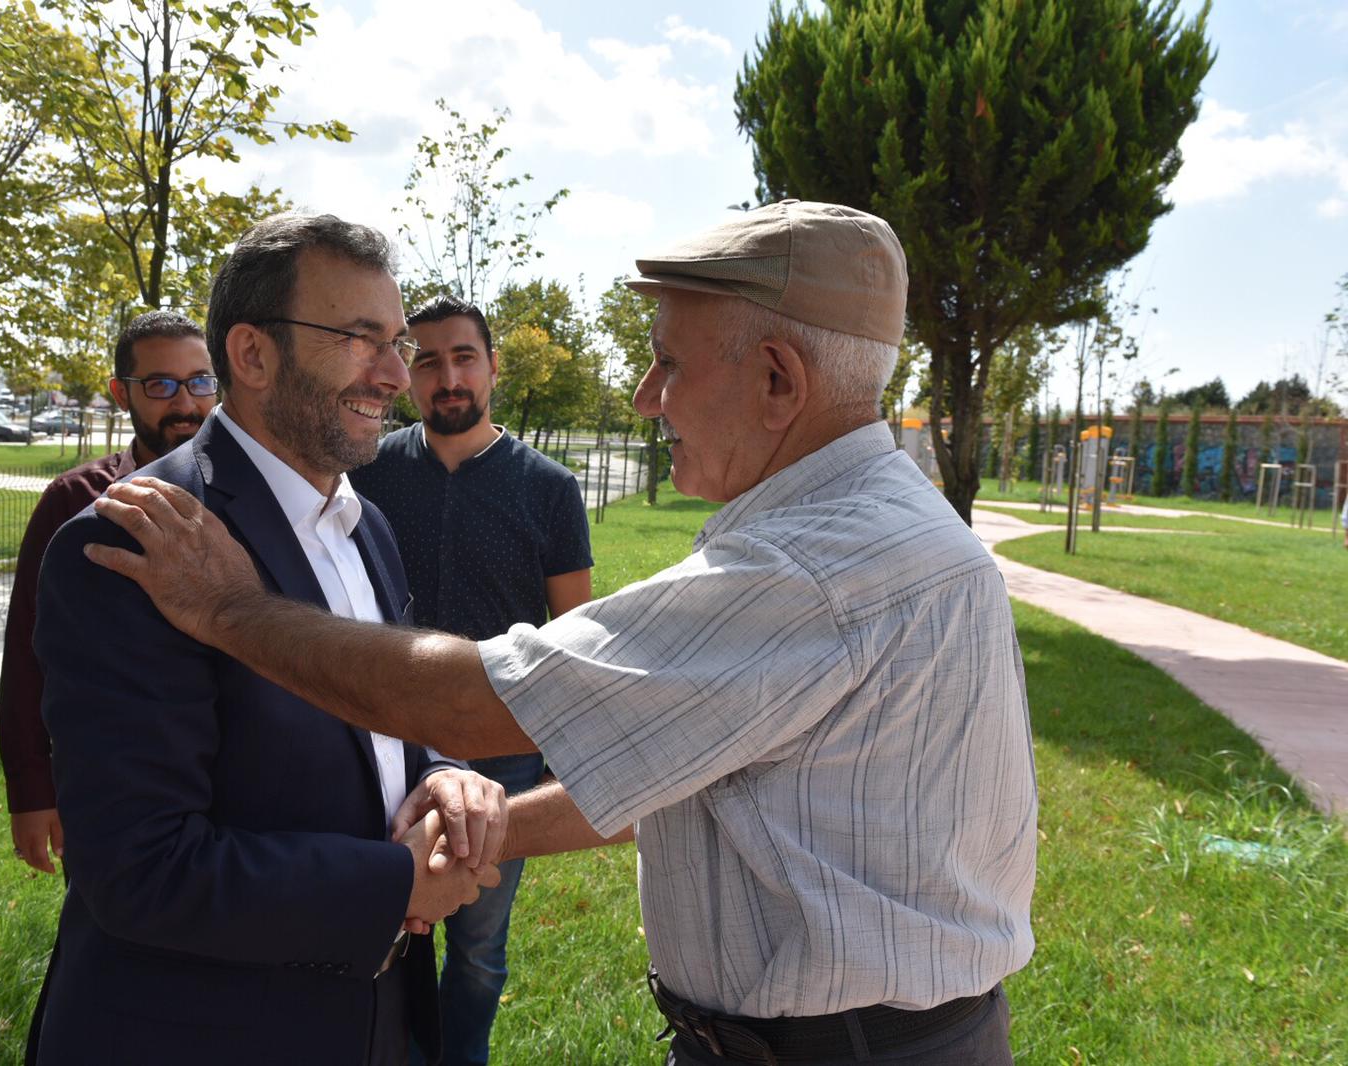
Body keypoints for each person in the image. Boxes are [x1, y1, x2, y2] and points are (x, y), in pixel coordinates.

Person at [88, 200, 1040, 1066]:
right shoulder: (886, 523)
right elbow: (671, 764)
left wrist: (229, 610)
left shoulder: (813, 567)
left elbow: (469, 701)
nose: (644, 395)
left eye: (669, 360)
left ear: (778, 378)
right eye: (361, 337)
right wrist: (475, 815)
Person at [30, 213, 506, 1066]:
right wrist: (398, 886)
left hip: (375, 1023)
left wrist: (443, 775)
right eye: (364, 339)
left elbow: (374, 714)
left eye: (396, 343)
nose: (399, 375)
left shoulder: (366, 525)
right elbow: (141, 868)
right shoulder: (140, 543)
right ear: (251, 355)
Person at [352, 294, 594, 1066]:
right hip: (383, 743)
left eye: (463, 357)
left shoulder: (548, 487)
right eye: (426, 359)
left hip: (503, 754)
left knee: (479, 949)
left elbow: (571, 632)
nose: (446, 376)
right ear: (405, 372)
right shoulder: (369, 473)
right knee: (378, 923)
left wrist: (562, 756)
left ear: (492, 367)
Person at [0, 310, 219, 876]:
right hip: (109, 787)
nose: (186, 403)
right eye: (161, 385)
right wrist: (30, 788)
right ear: (122, 393)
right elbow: (27, 648)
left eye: (200, 381)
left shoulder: (251, 497)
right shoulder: (75, 502)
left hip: (237, 785)